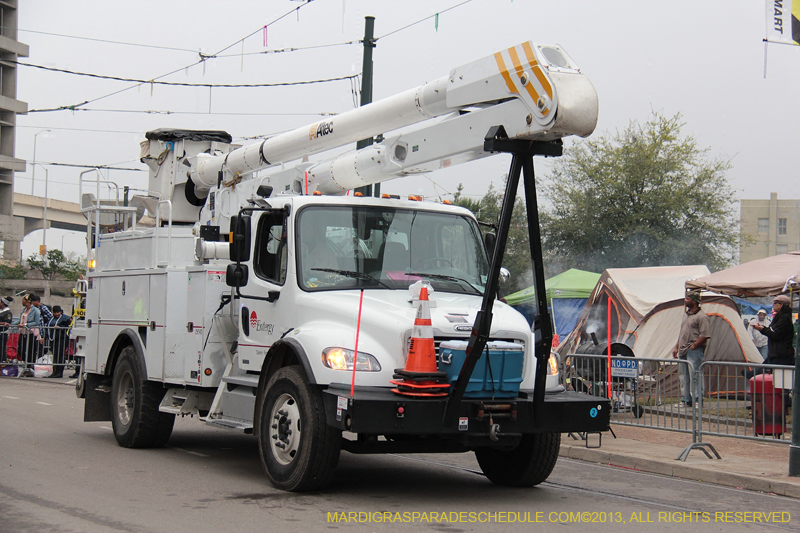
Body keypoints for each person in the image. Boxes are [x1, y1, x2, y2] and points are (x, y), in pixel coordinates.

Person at [672, 290, 710, 408]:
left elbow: (705, 334)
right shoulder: (686, 314)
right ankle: (685, 399)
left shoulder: (701, 316)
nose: (685, 301)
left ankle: (698, 399)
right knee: (683, 376)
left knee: (696, 374)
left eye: (688, 299)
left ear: (694, 301)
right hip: (683, 348)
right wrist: (677, 346)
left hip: (694, 349)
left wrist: (694, 345)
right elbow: (682, 332)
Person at [752, 295, 795, 367]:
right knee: (762, 369)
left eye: (775, 303)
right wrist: (763, 328)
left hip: (781, 355)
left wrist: (762, 329)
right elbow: (773, 330)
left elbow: (777, 335)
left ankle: (753, 374)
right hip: (776, 353)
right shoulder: (781, 316)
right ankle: (753, 373)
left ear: (781, 305)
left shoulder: (784, 318)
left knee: (770, 373)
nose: (773, 305)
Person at [6, 294, 42, 372]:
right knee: (21, 350)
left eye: (23, 300)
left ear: (28, 301)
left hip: (31, 333)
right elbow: (20, 320)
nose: (22, 302)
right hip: (23, 333)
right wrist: (11, 324)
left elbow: (36, 322)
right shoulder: (24, 309)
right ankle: (25, 365)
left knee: (30, 351)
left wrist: (25, 325)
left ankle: (30, 368)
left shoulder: (35, 310)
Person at [44, 306, 72, 378]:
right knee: (55, 356)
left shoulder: (65, 318)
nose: (56, 314)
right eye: (55, 312)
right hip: (53, 339)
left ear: (60, 312)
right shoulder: (51, 318)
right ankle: (55, 372)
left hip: (62, 339)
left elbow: (69, 327)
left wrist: (61, 327)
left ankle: (59, 372)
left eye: (57, 312)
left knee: (60, 356)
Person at [0, 296, 12, 362]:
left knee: (1, 349)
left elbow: (8, 323)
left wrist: (3, 323)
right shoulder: (1, 311)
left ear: (2, 303)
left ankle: (2, 363)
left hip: (2, 334)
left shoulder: (7, 313)